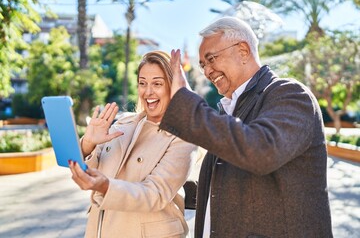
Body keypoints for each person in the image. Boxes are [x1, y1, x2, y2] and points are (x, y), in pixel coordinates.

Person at [159, 17, 333, 237]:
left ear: (243, 50)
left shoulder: (291, 95)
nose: (207, 71)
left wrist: (186, 104)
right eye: (202, 65)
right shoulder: (229, 112)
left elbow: (262, 151)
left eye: (211, 59)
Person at [69, 51, 197, 238]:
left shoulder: (183, 136)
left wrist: (106, 187)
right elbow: (92, 171)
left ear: (174, 87)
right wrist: (87, 144)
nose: (148, 92)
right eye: (142, 83)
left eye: (157, 84)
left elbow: (155, 194)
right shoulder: (122, 124)